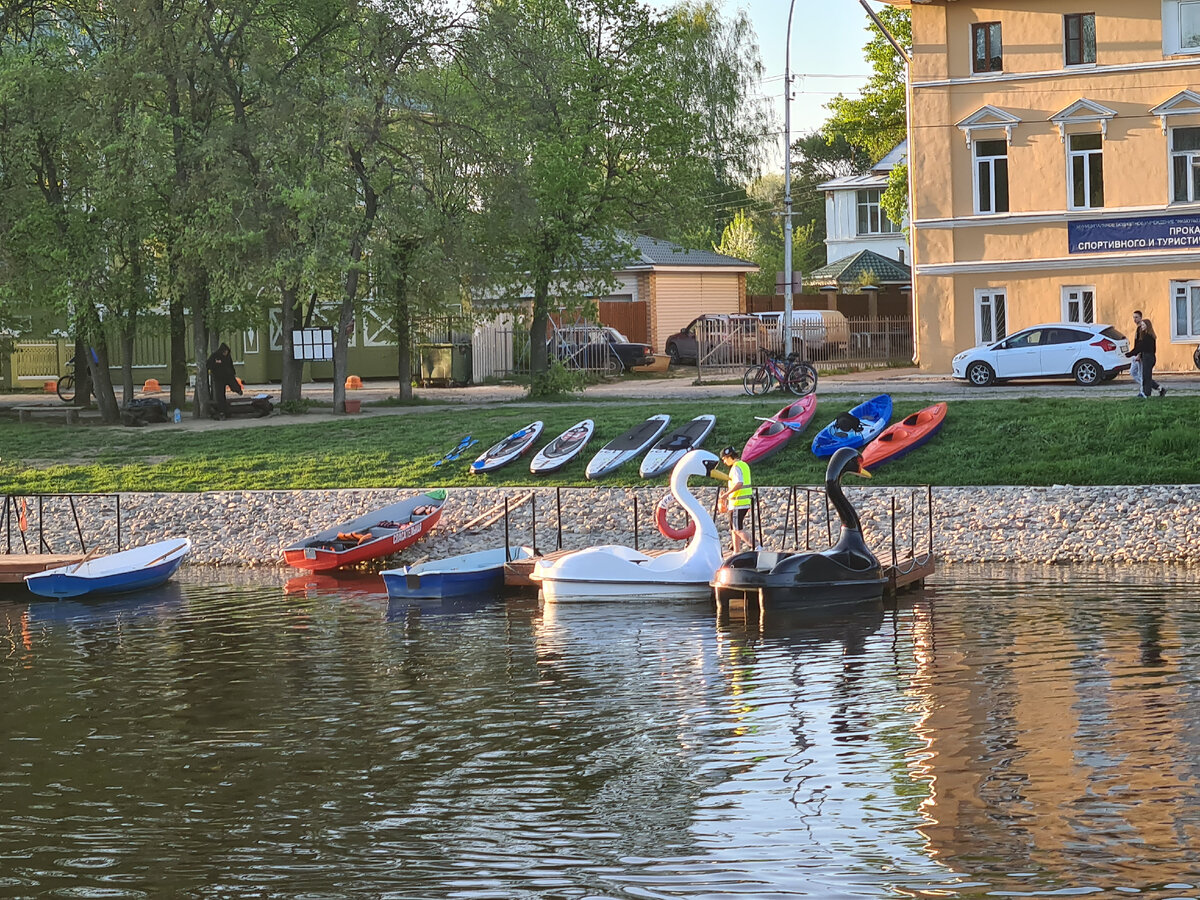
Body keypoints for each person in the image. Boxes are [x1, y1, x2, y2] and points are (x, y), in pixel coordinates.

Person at [711, 445, 753, 553]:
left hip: (738, 503)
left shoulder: (735, 467)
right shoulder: (744, 465)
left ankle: (756, 546)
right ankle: (736, 552)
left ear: (729, 457)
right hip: (743, 501)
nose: (724, 462)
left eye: (724, 459)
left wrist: (726, 495)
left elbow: (739, 483)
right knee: (734, 529)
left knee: (737, 529)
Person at [1126, 311, 1165, 398]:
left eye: (1136, 317)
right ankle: (1154, 388)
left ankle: (1145, 392)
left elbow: (1141, 346)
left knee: (1145, 376)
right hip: (1144, 355)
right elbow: (1139, 345)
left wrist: (1135, 354)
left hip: (1146, 357)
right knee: (1140, 374)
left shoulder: (1148, 336)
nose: (1134, 319)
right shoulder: (1143, 333)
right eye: (1133, 317)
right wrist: (1133, 353)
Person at [206, 342, 243, 419]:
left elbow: (230, 365)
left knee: (233, 383)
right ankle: (222, 411)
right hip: (218, 378)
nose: (226, 353)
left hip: (228, 376)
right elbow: (209, 364)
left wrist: (233, 373)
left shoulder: (228, 357)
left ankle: (238, 390)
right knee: (220, 395)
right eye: (225, 352)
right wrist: (213, 368)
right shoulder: (215, 356)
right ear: (222, 351)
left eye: (227, 352)